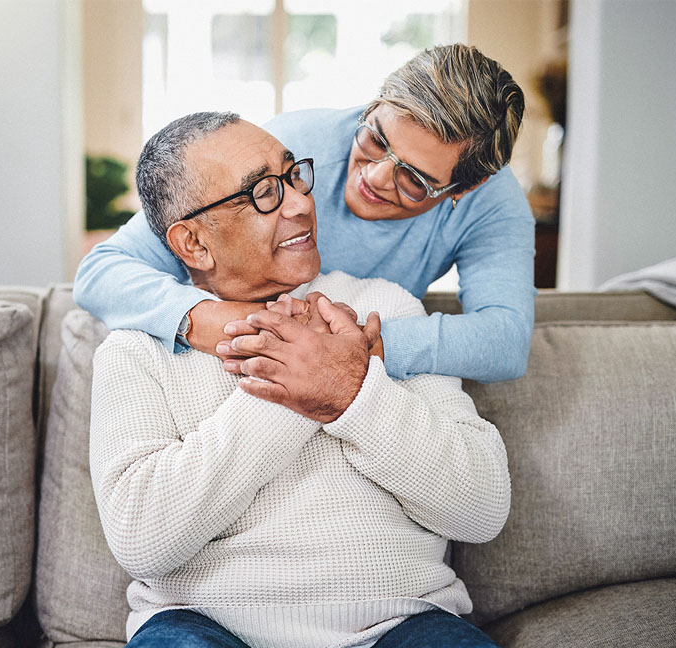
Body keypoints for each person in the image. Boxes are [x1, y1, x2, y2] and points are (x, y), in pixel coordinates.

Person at [90, 111, 531, 648]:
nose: (301, 203)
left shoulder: (385, 311)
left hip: (401, 628)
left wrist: (351, 392)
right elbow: (141, 538)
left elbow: (482, 508)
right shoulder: (138, 348)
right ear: (194, 244)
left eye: (294, 176)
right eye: (264, 193)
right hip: (204, 630)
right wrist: (297, 386)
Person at [75, 44, 535, 402]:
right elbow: (103, 270)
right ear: (373, 105)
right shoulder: (287, 149)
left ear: (461, 190)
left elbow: (505, 341)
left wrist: (346, 347)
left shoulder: (493, 205)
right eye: (375, 138)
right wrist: (208, 319)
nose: (373, 176)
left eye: (414, 179)